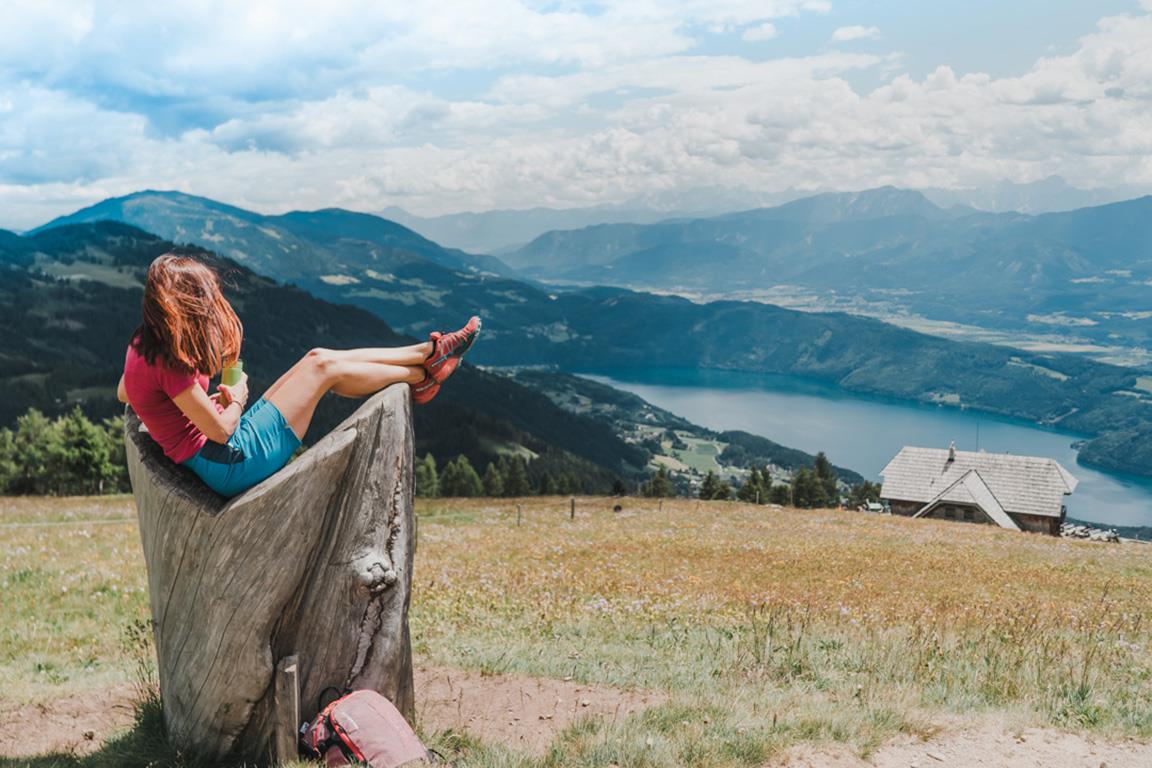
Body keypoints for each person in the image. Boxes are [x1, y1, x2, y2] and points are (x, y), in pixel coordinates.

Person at [117, 253, 480, 498]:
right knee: (323, 370)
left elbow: (126, 391)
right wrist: (237, 399)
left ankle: (425, 357)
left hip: (224, 451)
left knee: (316, 357)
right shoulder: (168, 362)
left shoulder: (144, 343)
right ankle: (422, 371)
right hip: (231, 463)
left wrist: (188, 408)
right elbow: (222, 431)